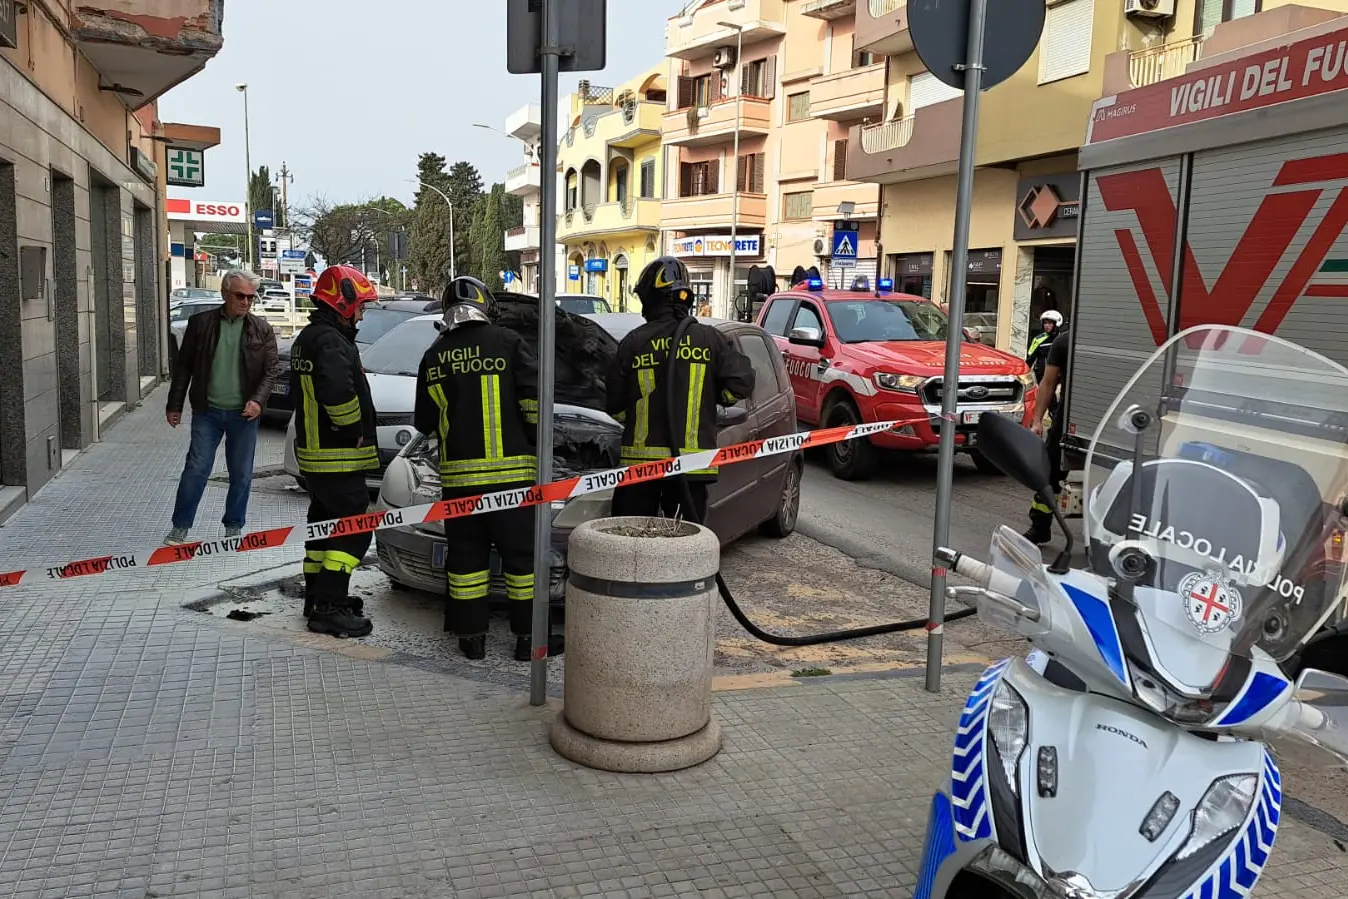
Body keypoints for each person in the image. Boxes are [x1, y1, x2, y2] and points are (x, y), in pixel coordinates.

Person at [413, 276, 565, 662]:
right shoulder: (510, 343)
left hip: (459, 484)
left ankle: (471, 640)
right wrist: (536, 445)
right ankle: (529, 641)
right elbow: (536, 406)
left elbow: (425, 422)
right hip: (512, 482)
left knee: (466, 563)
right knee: (524, 564)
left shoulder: (434, 354)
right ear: (485, 307)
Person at [606, 257, 755, 523]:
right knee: (686, 547)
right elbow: (742, 383)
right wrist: (714, 400)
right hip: (691, 468)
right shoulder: (709, 339)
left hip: (641, 471)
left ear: (650, 298)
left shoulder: (633, 343)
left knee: (630, 545)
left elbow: (614, 405)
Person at [290, 265, 381, 638]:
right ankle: (329, 607)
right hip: (336, 454)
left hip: (315, 455)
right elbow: (337, 392)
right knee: (354, 527)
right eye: (359, 306)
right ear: (341, 303)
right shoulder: (329, 341)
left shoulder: (308, 337)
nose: (361, 314)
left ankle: (318, 596)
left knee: (323, 525)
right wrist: (352, 428)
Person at [164, 269, 280, 546]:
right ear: (225, 294)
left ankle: (234, 525)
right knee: (197, 468)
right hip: (208, 412)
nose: (246, 302)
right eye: (240, 296)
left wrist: (258, 401)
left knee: (241, 473)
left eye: (251, 297)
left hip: (244, 414)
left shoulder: (261, 328)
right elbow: (184, 369)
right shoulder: (200, 324)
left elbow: (271, 370)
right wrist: (174, 404)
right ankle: (180, 526)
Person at [1025, 326, 1070, 545]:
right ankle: (1040, 527)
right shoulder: (1065, 342)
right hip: (1068, 421)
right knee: (1049, 473)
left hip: (1108, 421)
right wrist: (1036, 421)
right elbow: (1048, 383)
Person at [1026, 309, 1063, 382]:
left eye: (1050, 323)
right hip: (1041, 376)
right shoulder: (1038, 339)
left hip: (1059, 377)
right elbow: (1030, 359)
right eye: (1045, 323)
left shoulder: (1062, 339)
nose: (1046, 325)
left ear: (1056, 324)